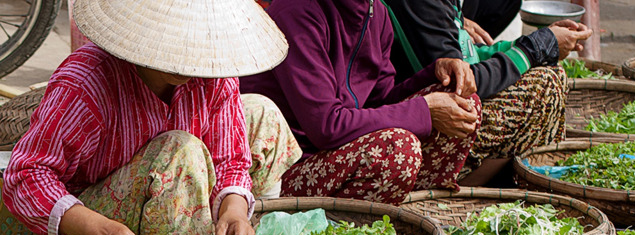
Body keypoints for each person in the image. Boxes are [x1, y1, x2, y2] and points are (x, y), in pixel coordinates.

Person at [0, 0, 298, 235]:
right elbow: (25, 176)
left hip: (176, 203)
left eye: (196, 44)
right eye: (176, 44)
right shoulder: (87, 80)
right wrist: (98, 229)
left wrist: (234, 210)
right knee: (180, 149)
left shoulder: (212, 74)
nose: (187, 59)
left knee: (261, 111)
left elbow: (230, 160)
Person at [243, 0, 583, 202]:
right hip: (288, 172)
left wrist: (433, 75)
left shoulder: (374, 12)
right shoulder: (298, 13)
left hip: (340, 149)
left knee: (459, 99)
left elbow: (380, 100)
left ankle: (415, 203)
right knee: (398, 149)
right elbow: (327, 128)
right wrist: (425, 110)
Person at [382, 0, 590, 179]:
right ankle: (467, 186)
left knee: (548, 73)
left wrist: (538, 42)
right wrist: (536, 47)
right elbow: (463, 84)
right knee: (544, 85)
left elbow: (468, 58)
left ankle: (520, 179)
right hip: (412, 129)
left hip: (415, 109)